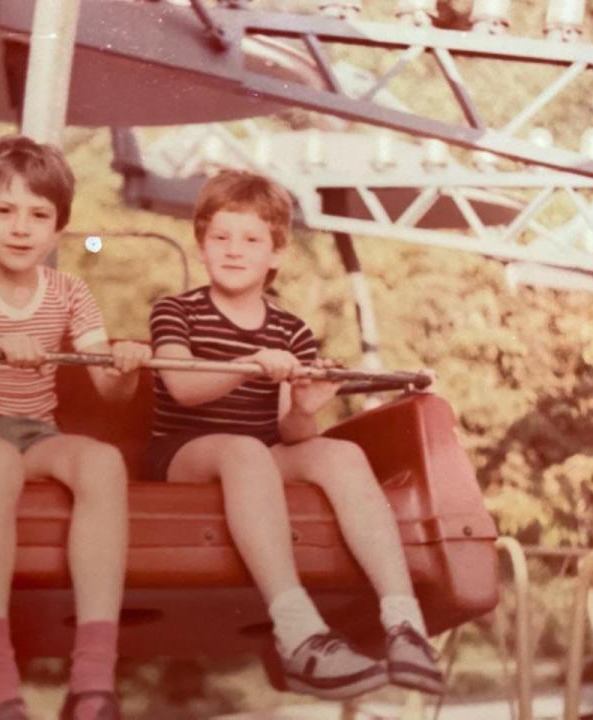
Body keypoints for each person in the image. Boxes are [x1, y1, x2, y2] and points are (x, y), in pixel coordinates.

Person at [143, 169, 444, 699]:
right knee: (244, 453)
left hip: (259, 452)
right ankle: (297, 630)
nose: (234, 250)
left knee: (340, 453)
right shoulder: (177, 311)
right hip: (186, 456)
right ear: (202, 244)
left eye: (252, 239)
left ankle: (404, 622)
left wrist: (307, 407)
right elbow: (182, 386)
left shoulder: (291, 330)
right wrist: (250, 363)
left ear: (276, 254)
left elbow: (291, 430)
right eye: (220, 237)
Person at [0, 135, 150, 720]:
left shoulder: (70, 292)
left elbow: (107, 389)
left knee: (102, 462)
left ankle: (94, 677)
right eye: (5, 211)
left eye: (39, 215)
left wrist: (123, 367)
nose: (21, 229)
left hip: (32, 431)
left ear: (59, 229)